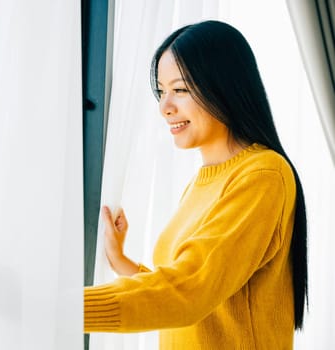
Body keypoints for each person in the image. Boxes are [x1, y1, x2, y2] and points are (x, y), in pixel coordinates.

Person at [84, 20, 307, 349]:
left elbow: (187, 295)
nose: (165, 107)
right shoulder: (201, 183)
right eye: (161, 91)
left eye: (181, 89)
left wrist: (63, 307)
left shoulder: (263, 176)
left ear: (224, 86)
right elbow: (194, 290)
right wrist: (122, 263)